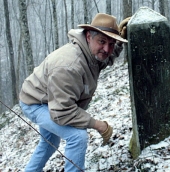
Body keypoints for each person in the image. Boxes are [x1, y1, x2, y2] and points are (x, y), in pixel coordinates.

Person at [19, 13, 129, 171]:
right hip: (36, 102)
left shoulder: (91, 53)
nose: (107, 49)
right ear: (89, 36)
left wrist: (118, 44)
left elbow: (106, 57)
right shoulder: (70, 65)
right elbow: (61, 112)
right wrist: (98, 125)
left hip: (53, 100)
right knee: (77, 137)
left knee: (50, 143)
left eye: (111, 44)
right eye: (102, 41)